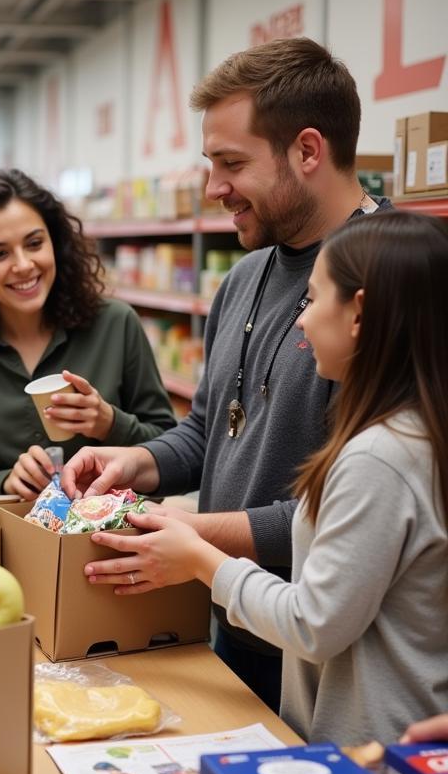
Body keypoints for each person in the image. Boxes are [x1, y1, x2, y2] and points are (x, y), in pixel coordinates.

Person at [62, 37, 392, 712]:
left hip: (329, 659)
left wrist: (190, 540)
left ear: (308, 151)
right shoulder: (245, 277)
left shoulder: (387, 289)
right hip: (226, 622)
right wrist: (135, 466)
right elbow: (214, 431)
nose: (214, 190)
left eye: (232, 164)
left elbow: (350, 511)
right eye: (209, 165)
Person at [83, 213, 448, 745]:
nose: (301, 321)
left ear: (359, 314)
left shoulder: (377, 457)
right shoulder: (412, 433)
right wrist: (179, 512)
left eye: (314, 299)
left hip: (375, 751)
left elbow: (313, 623)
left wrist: (201, 558)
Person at [0, 167, 175, 497]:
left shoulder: (116, 325)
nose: (23, 265)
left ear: (56, 243)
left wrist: (109, 423)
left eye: (34, 243)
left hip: (106, 539)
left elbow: (171, 450)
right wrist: (1, 483)